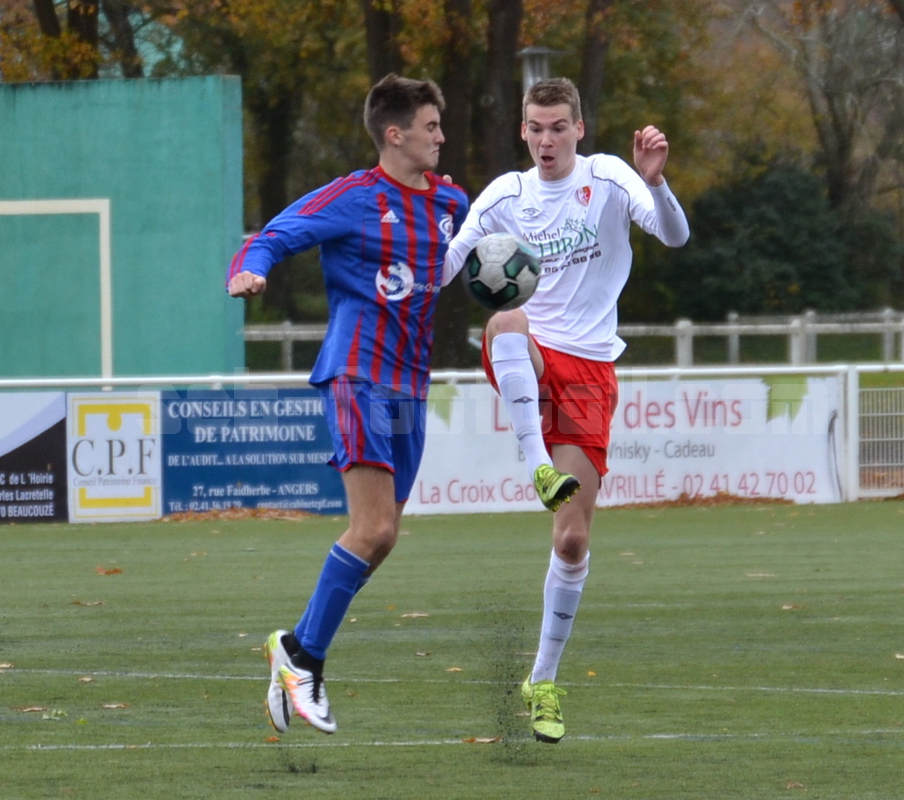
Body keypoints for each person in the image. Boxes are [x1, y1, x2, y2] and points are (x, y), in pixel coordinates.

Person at [444, 77, 690, 743]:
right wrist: (426, 243)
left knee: (574, 539)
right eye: (535, 128)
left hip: (590, 370)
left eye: (557, 127)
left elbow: (674, 235)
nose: (546, 139)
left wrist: (657, 181)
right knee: (508, 318)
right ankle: (537, 467)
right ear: (523, 132)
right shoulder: (505, 196)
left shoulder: (610, 179)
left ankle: (542, 680)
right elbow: (449, 265)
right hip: (531, 352)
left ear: (579, 129)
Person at [226, 74, 469, 735]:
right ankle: (305, 662)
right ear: (395, 135)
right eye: (430, 127)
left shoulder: (453, 204)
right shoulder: (355, 198)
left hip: (411, 389)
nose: (441, 136)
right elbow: (274, 234)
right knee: (374, 529)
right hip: (357, 373)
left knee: (382, 539)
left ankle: (297, 650)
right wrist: (251, 270)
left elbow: (488, 260)